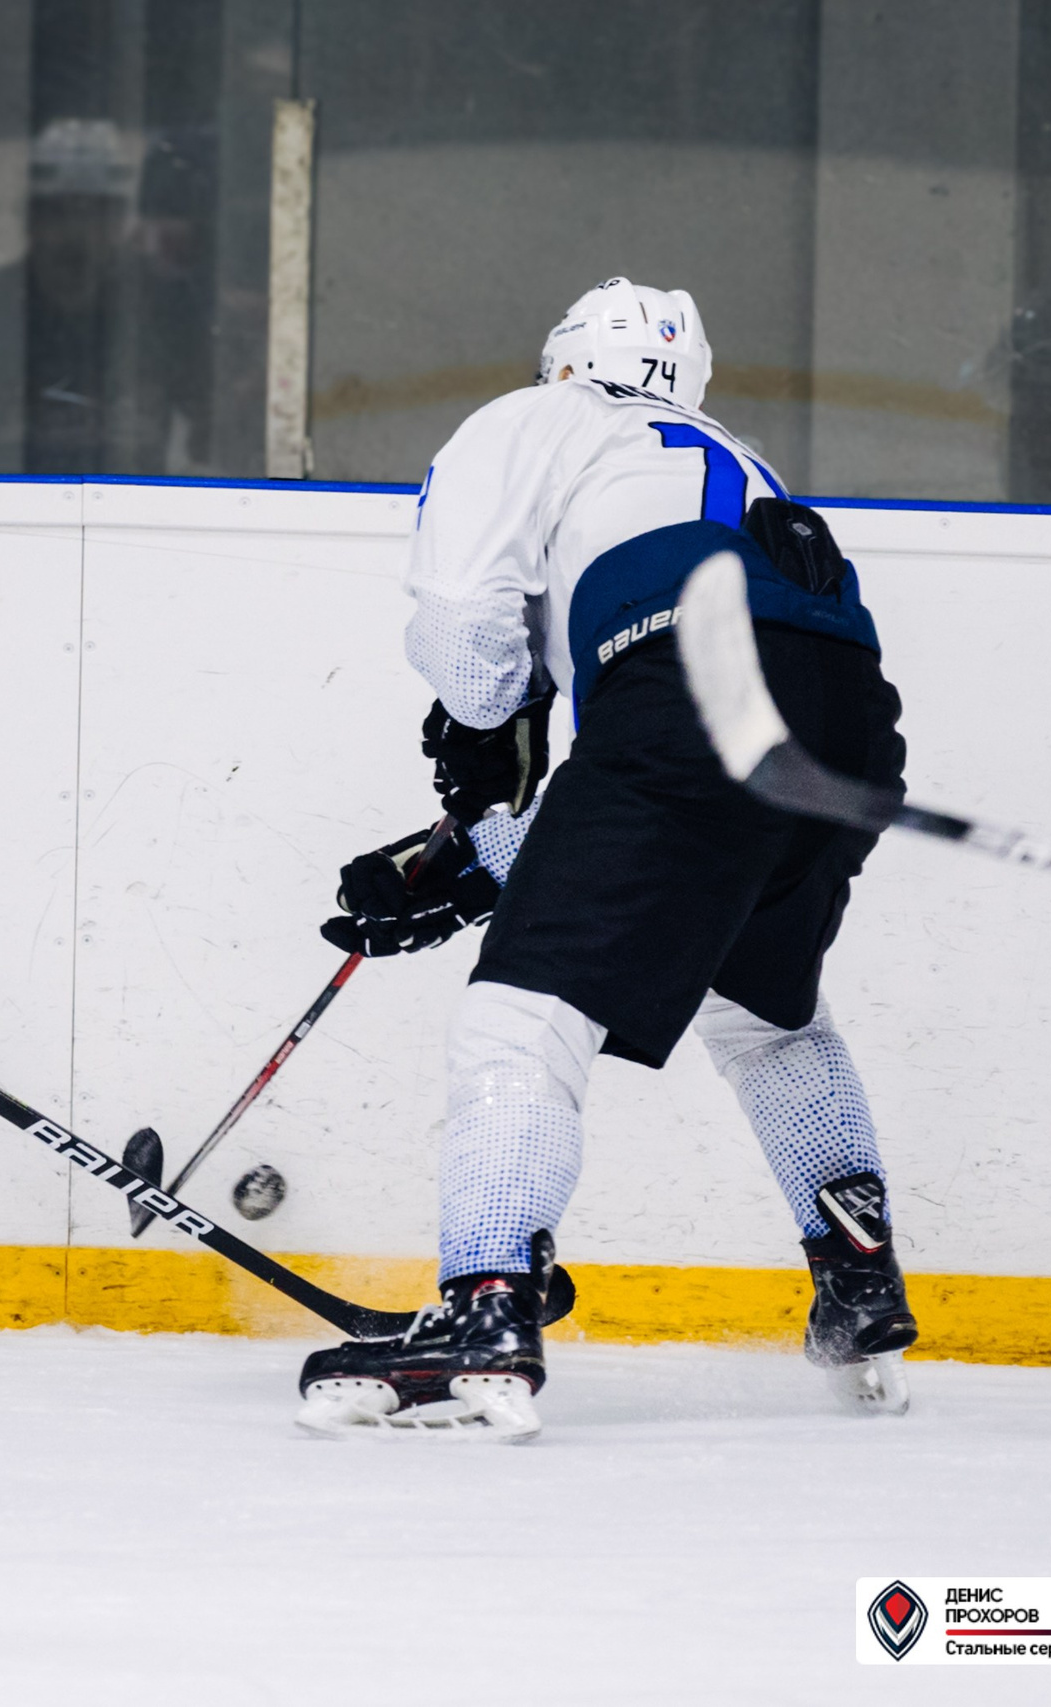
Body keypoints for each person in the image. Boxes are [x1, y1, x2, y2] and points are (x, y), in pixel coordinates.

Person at [297, 278, 918, 1439]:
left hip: (689, 688)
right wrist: (481, 859)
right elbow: (672, 808)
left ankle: (486, 1311)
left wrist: (478, 747)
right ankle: (857, 1276)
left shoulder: (538, 419)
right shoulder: (733, 462)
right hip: (845, 719)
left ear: (564, 359)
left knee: (518, 1024)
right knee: (763, 1014)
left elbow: (468, 634)